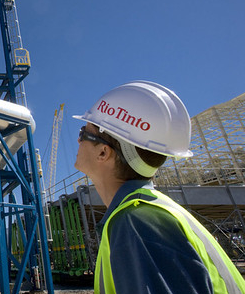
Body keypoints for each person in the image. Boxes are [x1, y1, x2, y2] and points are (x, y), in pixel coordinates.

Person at [73, 81, 245, 294]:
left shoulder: (138, 223)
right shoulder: (152, 211)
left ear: (103, 153)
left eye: (84, 132)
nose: (78, 140)